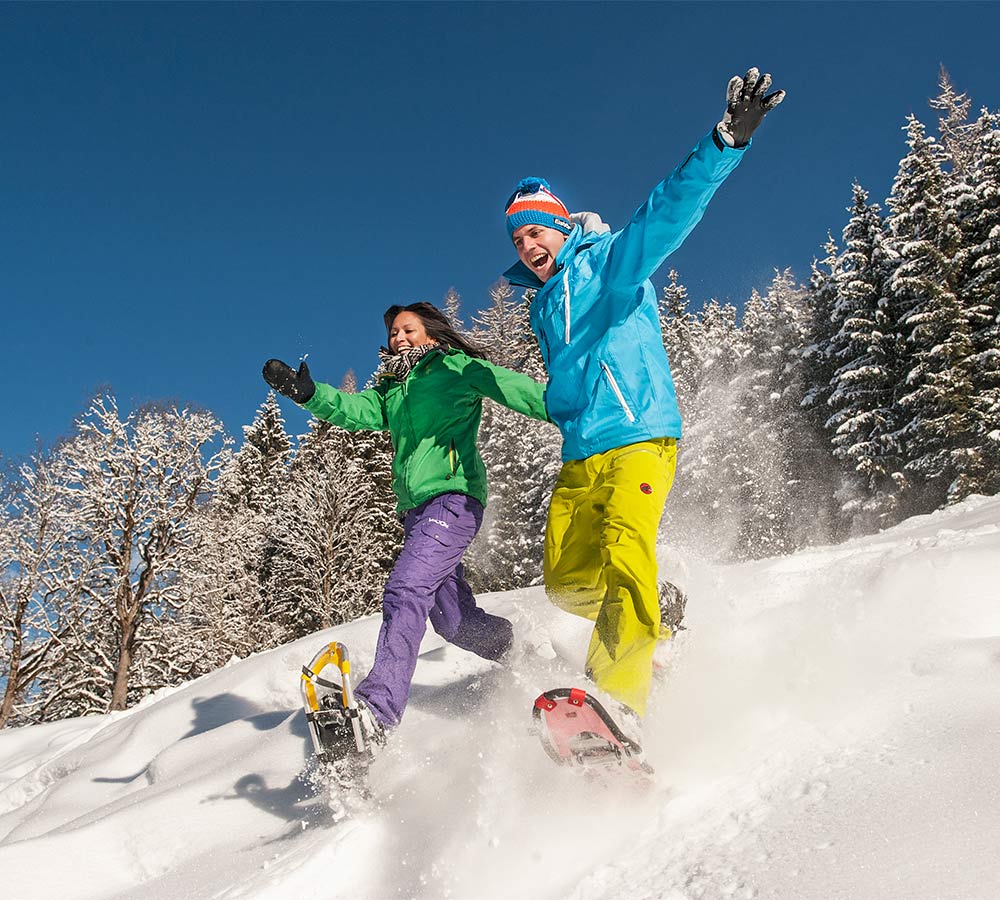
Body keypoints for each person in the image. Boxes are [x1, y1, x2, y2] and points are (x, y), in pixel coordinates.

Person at [500, 68, 785, 734]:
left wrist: (724, 144)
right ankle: (654, 609)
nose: (527, 246)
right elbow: (559, 389)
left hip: (638, 439)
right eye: (517, 241)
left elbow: (666, 213)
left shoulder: (608, 265)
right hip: (581, 458)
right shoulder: (546, 308)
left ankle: (618, 700)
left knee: (628, 554)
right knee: (567, 583)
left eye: (535, 232)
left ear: (560, 227)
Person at [263, 302, 550, 750]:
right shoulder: (392, 391)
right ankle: (521, 653)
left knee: (405, 589)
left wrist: (571, 410)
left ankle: (377, 713)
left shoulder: (456, 367)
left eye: (408, 329)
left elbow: (514, 388)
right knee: (454, 623)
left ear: (432, 334)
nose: (398, 337)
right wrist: (307, 394)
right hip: (416, 513)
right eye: (393, 332)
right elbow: (353, 411)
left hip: (453, 498)